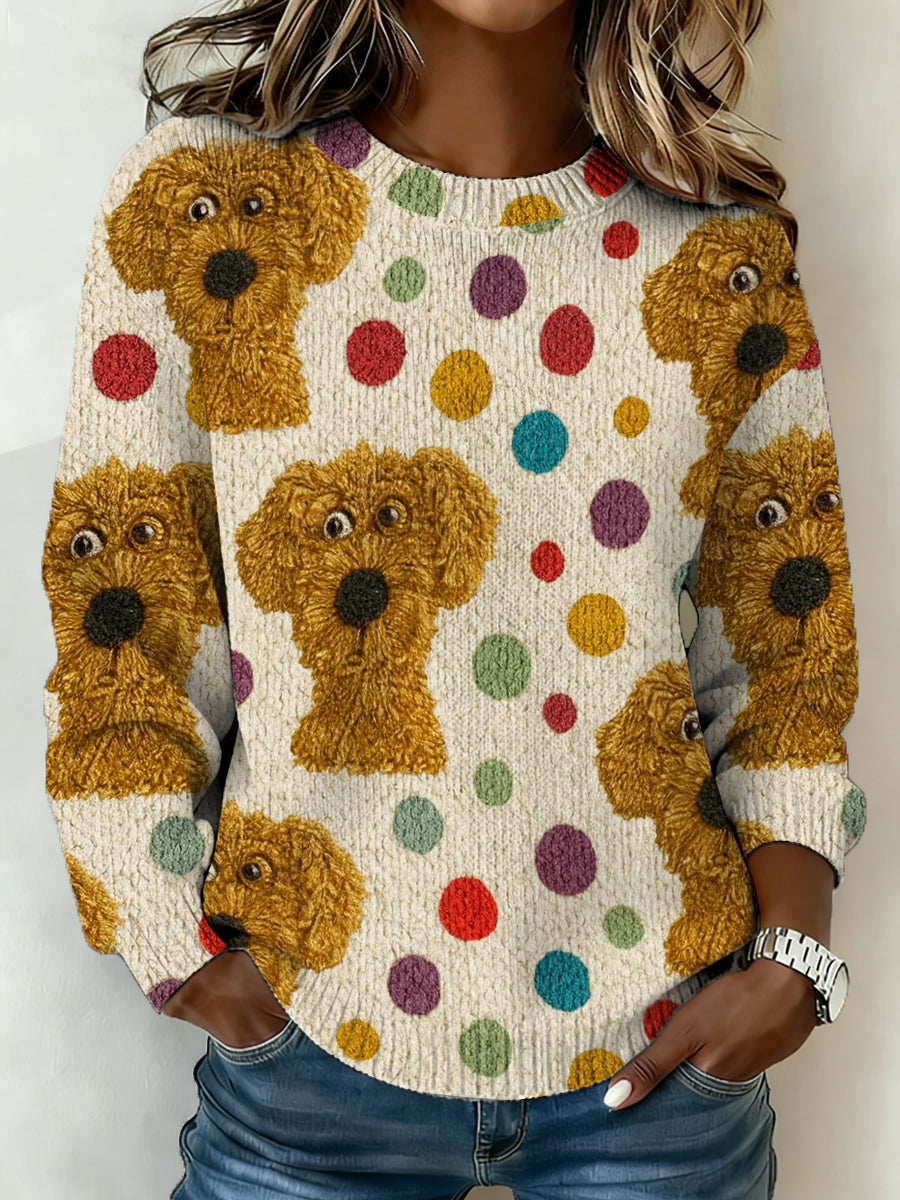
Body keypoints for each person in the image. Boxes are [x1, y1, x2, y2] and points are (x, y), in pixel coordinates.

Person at [39, 1, 867, 1196]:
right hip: (307, 1062)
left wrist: (791, 963)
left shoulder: (719, 251)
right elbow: (127, 617)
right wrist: (179, 949)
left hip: (664, 1058)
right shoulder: (201, 206)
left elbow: (783, 659)